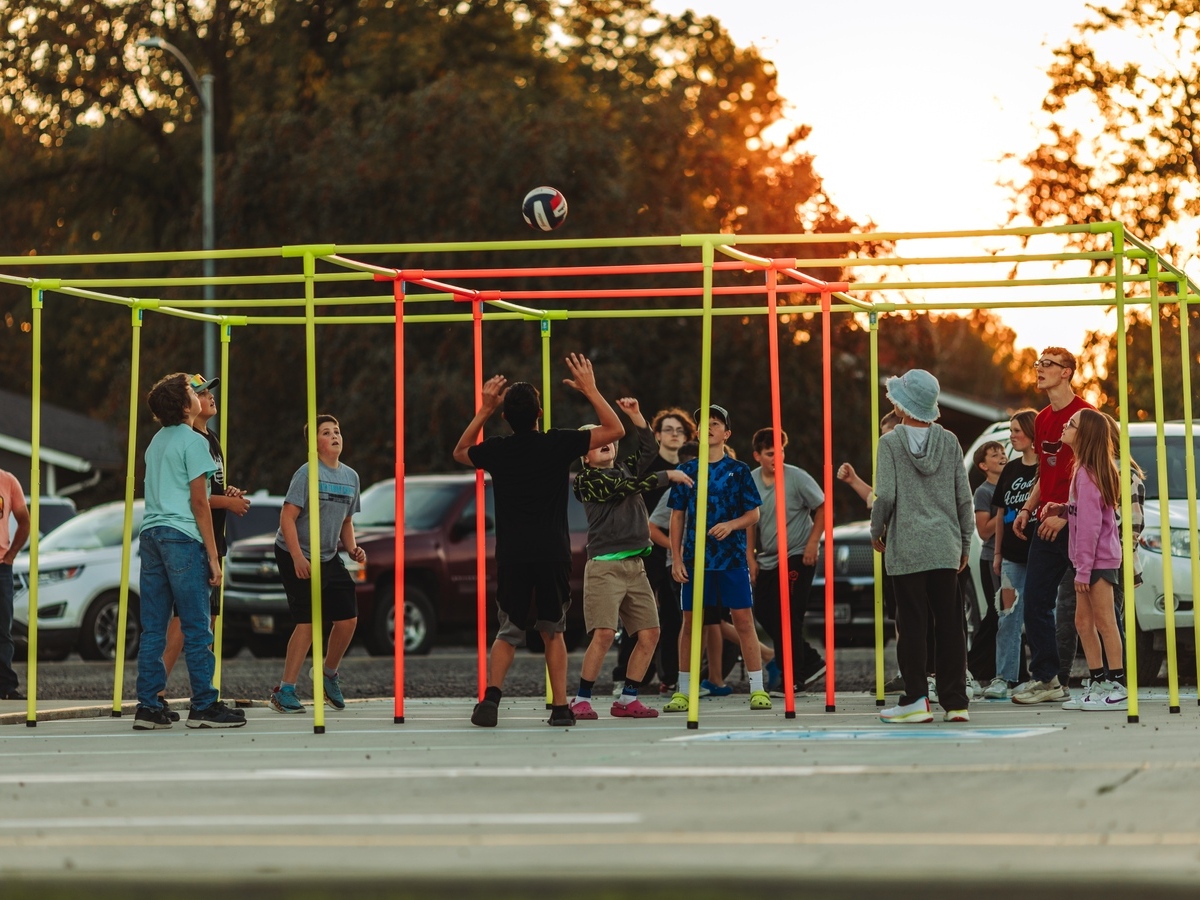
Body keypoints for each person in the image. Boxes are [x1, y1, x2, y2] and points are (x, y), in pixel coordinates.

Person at [454, 354, 623, 728]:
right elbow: (615, 430)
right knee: (553, 628)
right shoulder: (557, 443)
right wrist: (591, 390)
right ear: (540, 413)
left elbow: (460, 452)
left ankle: (491, 701)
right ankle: (561, 707)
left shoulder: (499, 449)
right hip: (552, 552)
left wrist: (483, 409)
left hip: (514, 554)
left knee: (509, 630)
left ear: (504, 418)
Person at [133, 373, 245, 729]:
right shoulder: (195, 442)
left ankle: (148, 707)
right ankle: (204, 706)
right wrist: (213, 557)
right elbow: (199, 503)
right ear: (185, 405)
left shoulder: (155, 443)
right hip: (182, 537)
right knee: (197, 625)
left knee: (153, 627)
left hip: (150, 535)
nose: (202, 395)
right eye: (193, 392)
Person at [569, 398, 692, 720]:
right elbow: (627, 486)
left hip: (635, 566)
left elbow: (648, 452)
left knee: (650, 633)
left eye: (609, 440)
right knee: (605, 634)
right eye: (598, 444)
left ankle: (628, 698)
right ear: (586, 456)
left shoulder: (623, 468)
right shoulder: (587, 481)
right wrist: (670, 476)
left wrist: (636, 415)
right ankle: (581, 698)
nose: (607, 444)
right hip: (605, 567)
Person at [870, 369, 973, 724]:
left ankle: (915, 699)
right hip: (944, 544)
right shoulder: (950, 441)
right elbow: (964, 498)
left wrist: (876, 529)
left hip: (908, 545)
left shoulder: (890, 443)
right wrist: (964, 541)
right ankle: (956, 702)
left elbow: (885, 495)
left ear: (901, 403)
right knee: (950, 625)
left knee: (911, 625)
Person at [664, 404, 770, 712]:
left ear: (727, 433)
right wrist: (677, 558)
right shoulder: (687, 471)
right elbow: (677, 517)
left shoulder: (738, 471)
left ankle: (757, 688)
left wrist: (731, 524)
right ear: (696, 433)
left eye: (715, 423)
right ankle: (683, 690)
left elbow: (754, 513)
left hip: (732, 558)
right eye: (704, 424)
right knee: (690, 622)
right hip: (697, 560)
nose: (708, 427)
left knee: (743, 621)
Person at [268, 415, 367, 714]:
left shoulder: (351, 477)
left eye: (337, 430)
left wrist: (352, 548)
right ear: (315, 444)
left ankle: (327, 674)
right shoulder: (307, 473)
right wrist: (298, 558)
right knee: (308, 622)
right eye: (326, 432)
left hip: (327, 554)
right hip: (294, 551)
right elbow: (287, 517)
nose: (335, 435)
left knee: (348, 618)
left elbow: (346, 520)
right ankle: (284, 691)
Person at [1011, 347, 1094, 705]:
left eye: (1048, 364)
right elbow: (1045, 473)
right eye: (1038, 364)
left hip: (1079, 524)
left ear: (1067, 372)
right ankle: (1047, 680)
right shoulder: (1043, 419)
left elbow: (1097, 477)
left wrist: (1065, 515)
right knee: (1035, 602)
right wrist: (1028, 509)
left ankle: (1109, 681)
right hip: (1046, 523)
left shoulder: (1087, 417)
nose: (1039, 369)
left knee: (1095, 607)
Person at [1043, 408, 1127, 710]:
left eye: (1071, 424)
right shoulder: (1082, 471)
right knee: (1082, 621)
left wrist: (1083, 570)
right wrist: (1063, 508)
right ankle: (1098, 678)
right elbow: (1085, 513)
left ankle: (1116, 682)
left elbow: (1092, 528)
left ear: (1085, 435)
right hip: (1087, 562)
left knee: (1104, 620)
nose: (1065, 426)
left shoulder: (1088, 475)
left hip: (1097, 561)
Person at [612, 407, 696, 694]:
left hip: (678, 551)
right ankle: (625, 675)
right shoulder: (649, 464)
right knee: (638, 613)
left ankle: (670, 676)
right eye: (668, 429)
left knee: (674, 615)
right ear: (657, 434)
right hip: (644, 546)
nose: (674, 435)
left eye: (680, 431)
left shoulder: (693, 467)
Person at [747, 427, 827, 694]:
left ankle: (793, 677)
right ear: (757, 455)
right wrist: (750, 557)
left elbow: (823, 507)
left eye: (780, 452)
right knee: (763, 612)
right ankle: (812, 661)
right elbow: (749, 522)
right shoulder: (751, 480)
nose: (776, 457)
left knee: (790, 616)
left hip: (797, 554)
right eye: (770, 453)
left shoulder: (797, 478)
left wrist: (813, 543)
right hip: (767, 558)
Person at [987, 408, 1038, 699]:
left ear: (1032, 433)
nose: (1012, 436)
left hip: (1042, 554)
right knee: (1008, 616)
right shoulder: (1011, 469)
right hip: (1011, 558)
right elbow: (1002, 513)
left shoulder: (1044, 468)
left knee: (1041, 616)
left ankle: (1046, 676)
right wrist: (997, 555)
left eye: (1017, 431)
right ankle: (1003, 678)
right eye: (1011, 431)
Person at [967, 440, 1007, 685]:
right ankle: (974, 666)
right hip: (990, 559)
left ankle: (998, 669)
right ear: (983, 465)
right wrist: (1005, 513)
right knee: (995, 615)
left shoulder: (1012, 485)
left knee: (1007, 616)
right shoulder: (983, 492)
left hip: (1011, 558)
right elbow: (983, 531)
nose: (1002, 456)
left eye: (1002, 452)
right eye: (995, 455)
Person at [0, 469, 30, 701]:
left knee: (3, 628)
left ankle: (6, 686)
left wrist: (10, 556)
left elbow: (25, 521)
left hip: (2, 567)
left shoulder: (8, 481)